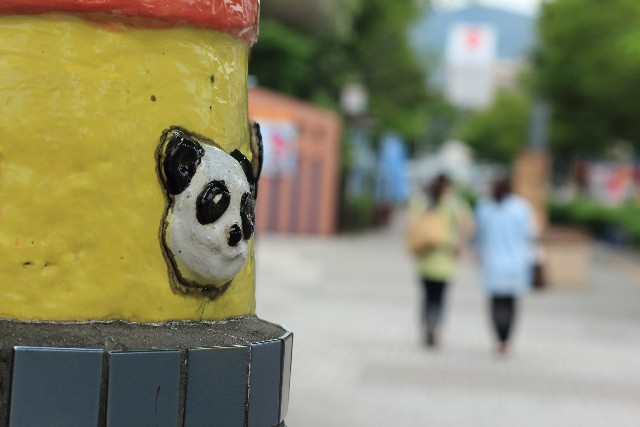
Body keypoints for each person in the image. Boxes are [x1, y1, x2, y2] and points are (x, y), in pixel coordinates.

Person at [409, 174, 472, 348]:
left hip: (425, 257)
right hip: (446, 258)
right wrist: (460, 244)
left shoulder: (420, 201)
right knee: (440, 298)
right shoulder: (455, 204)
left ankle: (426, 325)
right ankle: (435, 326)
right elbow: (468, 227)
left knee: (427, 297)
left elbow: (411, 226)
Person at [474, 176, 536, 355]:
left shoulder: (484, 207)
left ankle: (499, 339)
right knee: (510, 304)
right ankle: (507, 340)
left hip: (492, 262)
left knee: (496, 303)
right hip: (516, 263)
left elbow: (479, 237)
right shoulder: (521, 207)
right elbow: (530, 235)